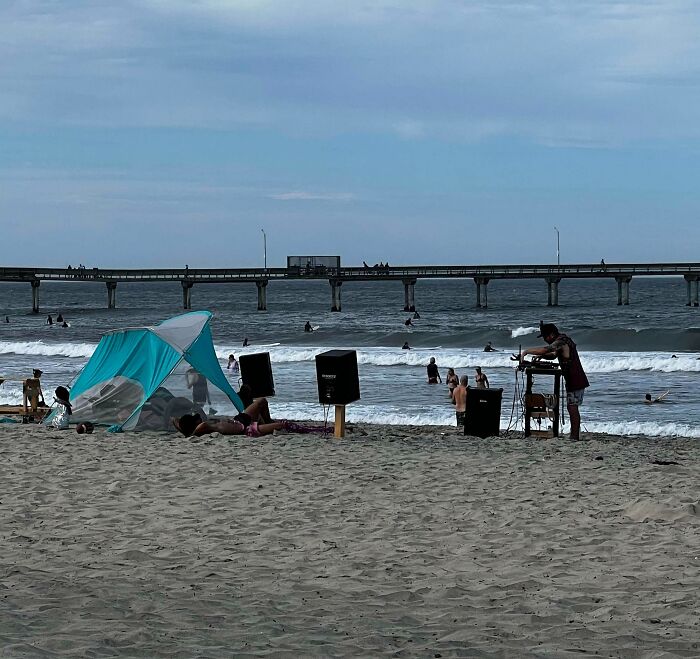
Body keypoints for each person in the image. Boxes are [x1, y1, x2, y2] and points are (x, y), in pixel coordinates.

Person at [520, 322, 590, 440]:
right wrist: (543, 357)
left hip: (575, 378)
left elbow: (546, 349)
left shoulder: (561, 341)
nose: (546, 340)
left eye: (546, 337)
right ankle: (574, 435)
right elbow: (553, 355)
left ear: (551, 335)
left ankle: (574, 437)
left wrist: (526, 352)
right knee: (572, 406)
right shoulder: (564, 340)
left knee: (572, 407)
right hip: (574, 378)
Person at [174, 398, 291, 438]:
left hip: (239, 420)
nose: (200, 419)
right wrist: (185, 431)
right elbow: (191, 432)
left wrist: (180, 427)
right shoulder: (202, 427)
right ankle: (268, 426)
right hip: (246, 428)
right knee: (281, 425)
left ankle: (268, 421)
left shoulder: (203, 426)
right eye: (196, 419)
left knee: (261, 401)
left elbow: (176, 422)